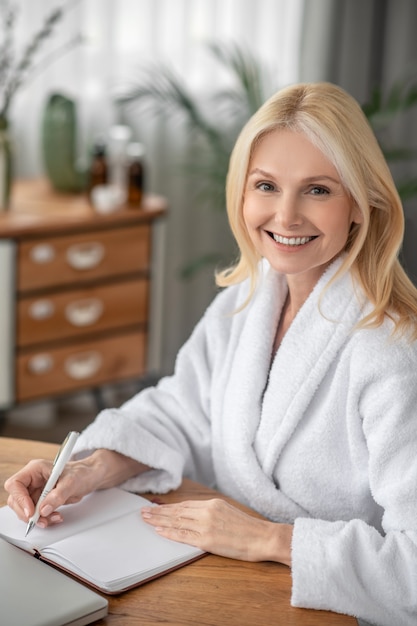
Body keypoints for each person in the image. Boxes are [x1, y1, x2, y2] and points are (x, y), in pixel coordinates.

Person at [5, 82, 417, 626]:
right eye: (266, 185)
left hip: (335, 608)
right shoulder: (244, 304)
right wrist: (89, 468)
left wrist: (269, 539)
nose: (286, 215)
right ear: (241, 194)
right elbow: (183, 410)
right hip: (236, 583)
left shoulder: (392, 353)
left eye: (318, 190)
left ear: (362, 204)